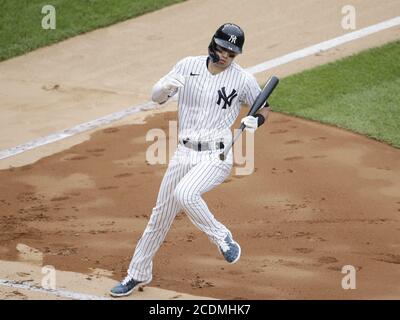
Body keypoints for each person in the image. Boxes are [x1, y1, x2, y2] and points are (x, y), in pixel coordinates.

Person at [110, 23, 270, 297]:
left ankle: (222, 237)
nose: (225, 56)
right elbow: (157, 98)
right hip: (184, 153)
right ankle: (137, 273)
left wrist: (256, 120)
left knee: (186, 193)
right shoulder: (187, 66)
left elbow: (264, 108)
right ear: (213, 43)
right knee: (159, 218)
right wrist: (164, 87)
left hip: (217, 154)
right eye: (222, 49)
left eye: (231, 53)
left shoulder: (242, 79)